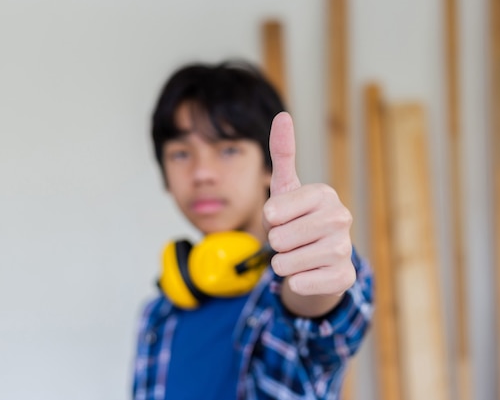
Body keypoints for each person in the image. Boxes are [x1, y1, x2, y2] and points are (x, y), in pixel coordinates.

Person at [132, 60, 373, 400]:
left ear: (267, 167)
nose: (202, 173)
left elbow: (321, 314)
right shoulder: (157, 316)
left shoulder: (309, 271)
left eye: (228, 149)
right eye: (181, 153)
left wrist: (317, 270)